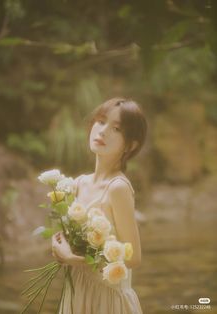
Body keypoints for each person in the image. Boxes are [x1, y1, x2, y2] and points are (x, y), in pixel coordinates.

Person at [52, 97, 147, 314]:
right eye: (101, 121)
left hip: (107, 299)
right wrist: (58, 243)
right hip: (77, 291)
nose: (103, 131)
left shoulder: (117, 188)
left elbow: (133, 258)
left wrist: (72, 259)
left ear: (130, 145)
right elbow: (67, 236)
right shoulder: (78, 184)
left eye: (116, 128)